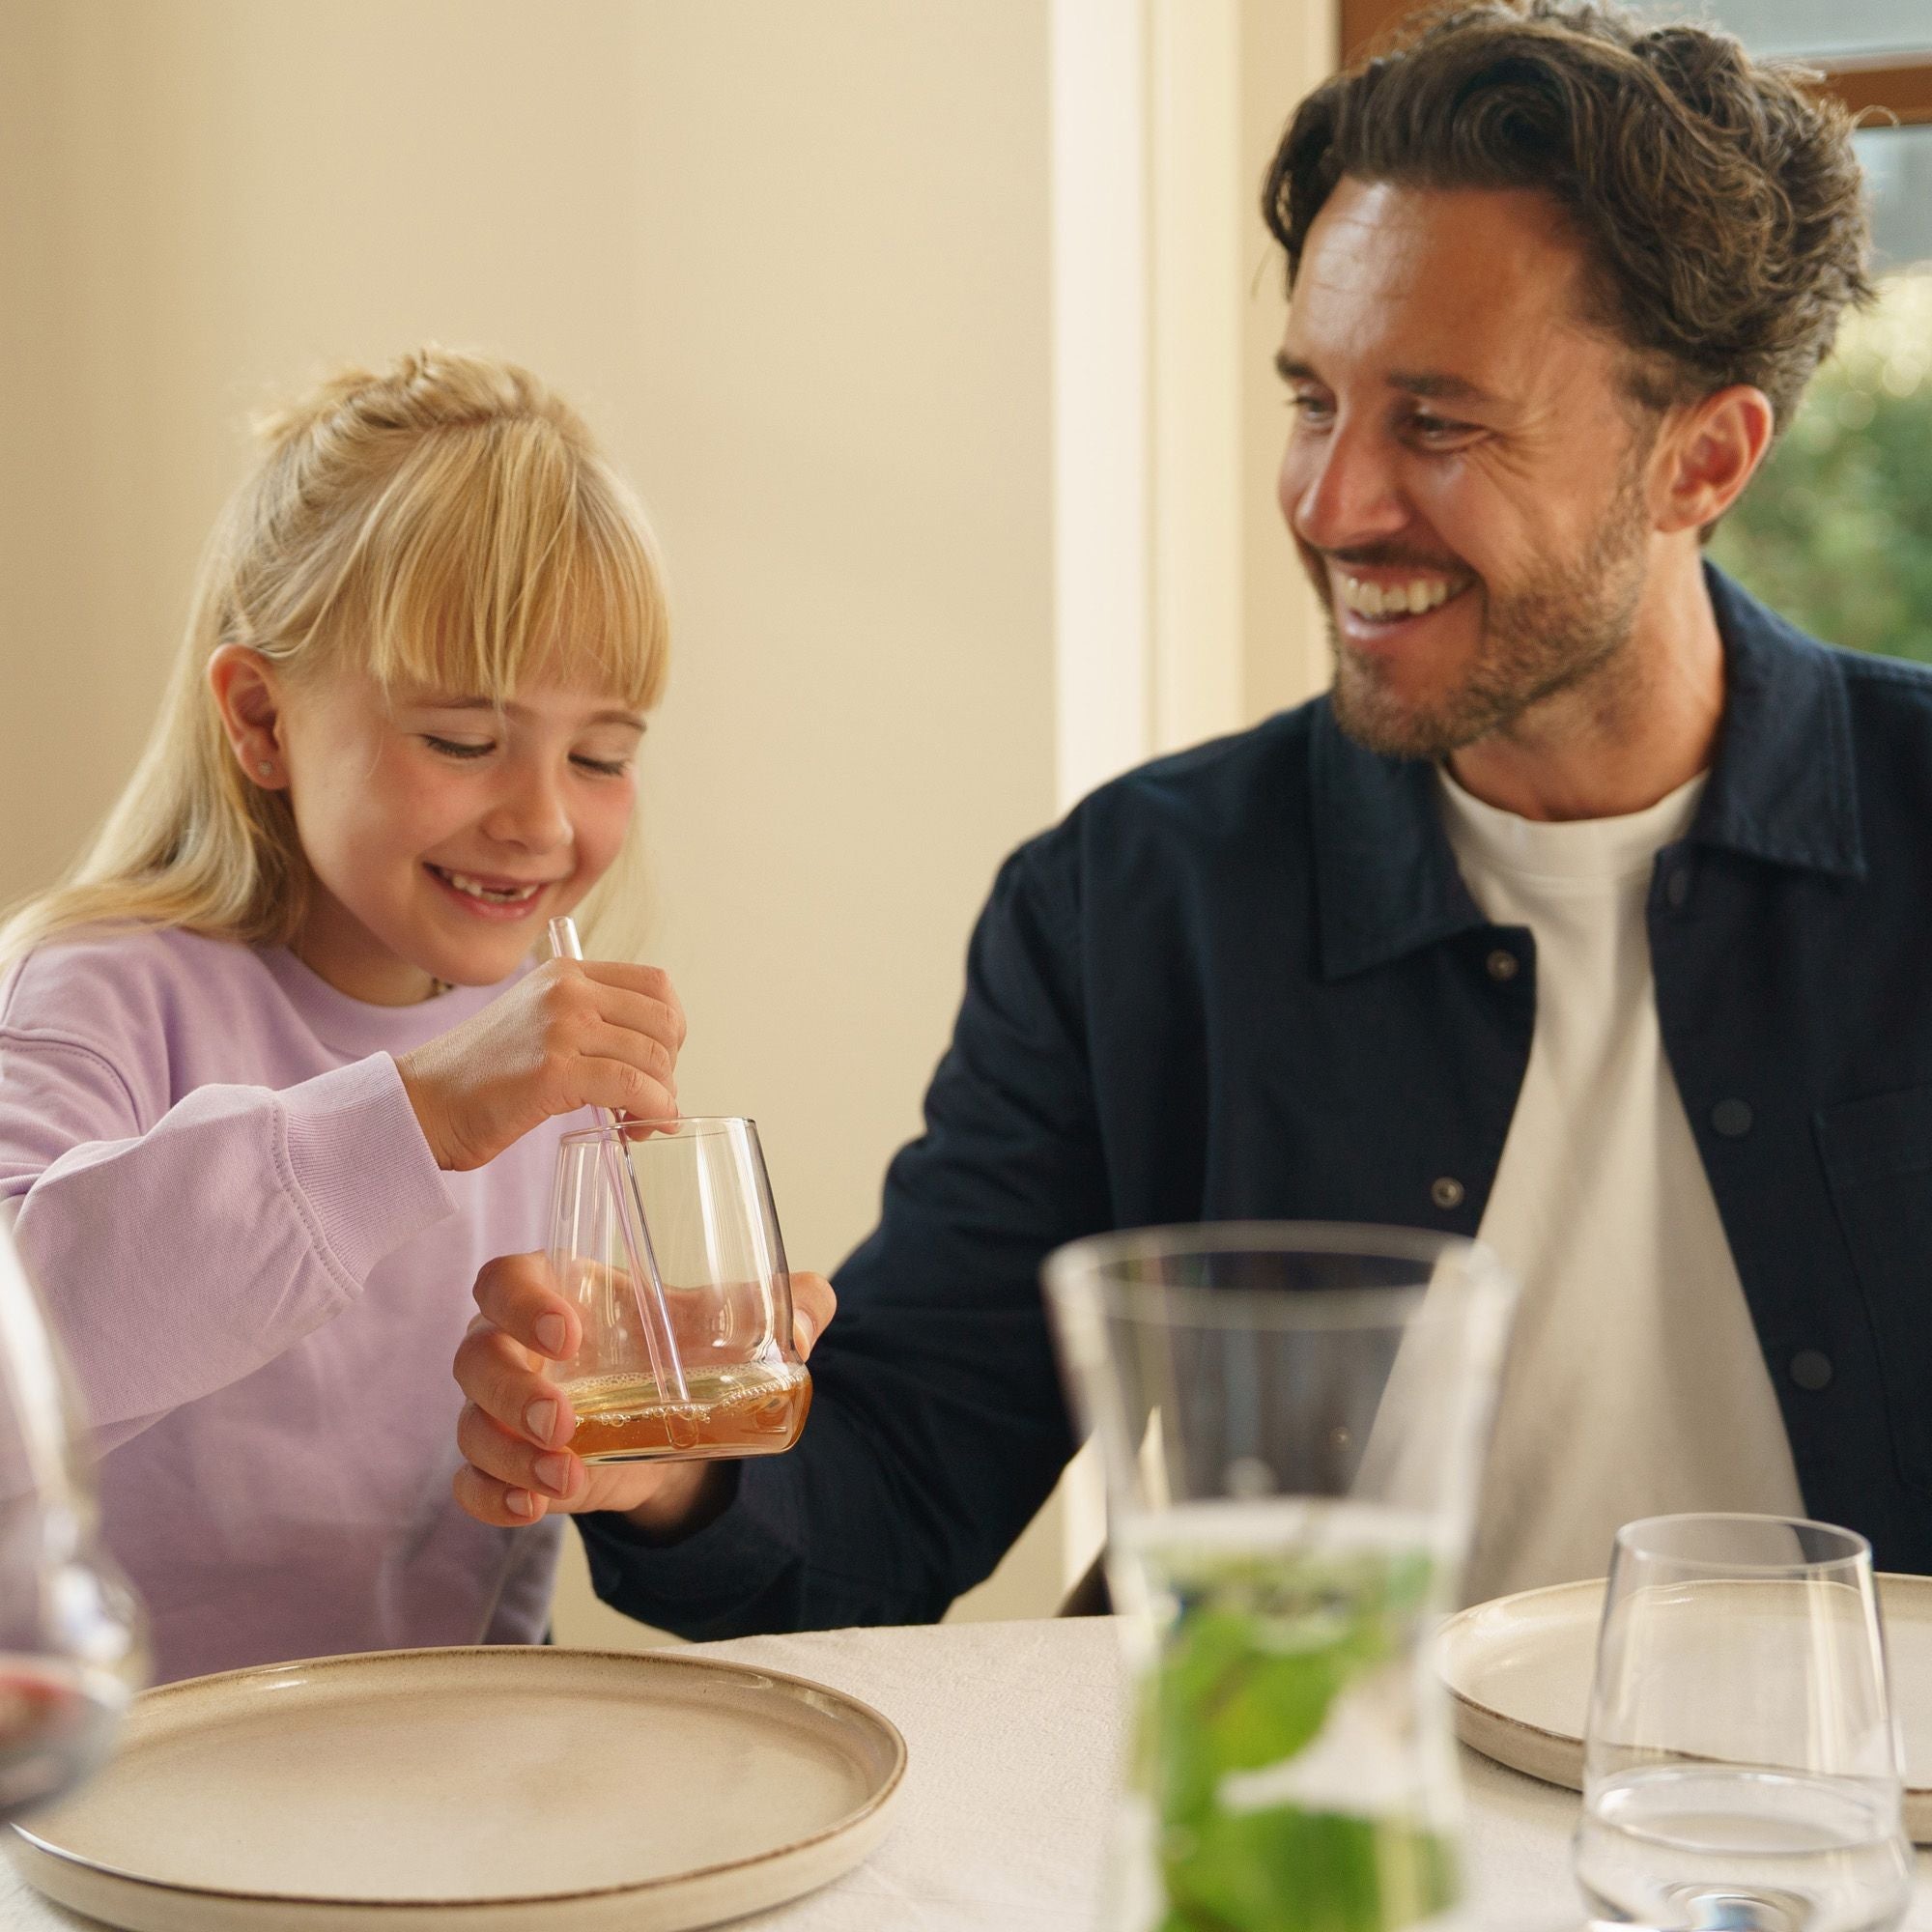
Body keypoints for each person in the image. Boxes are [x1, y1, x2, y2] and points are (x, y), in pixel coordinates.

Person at [453, 0, 1931, 1631]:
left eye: (1435, 421)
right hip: (1290, 1837)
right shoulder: (1135, 901)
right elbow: (901, 1483)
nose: (1331, 500)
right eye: (1314, 400)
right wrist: (673, 1463)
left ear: (1703, 459)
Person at [0, 345, 835, 1682]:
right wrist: (426, 1109)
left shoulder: (538, 1047)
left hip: (438, 1765)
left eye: (603, 755)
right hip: (120, 1792)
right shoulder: (95, 989)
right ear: (261, 720)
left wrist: (629, 1440)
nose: (545, 819)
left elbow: (538, 1521)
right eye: (461, 739)